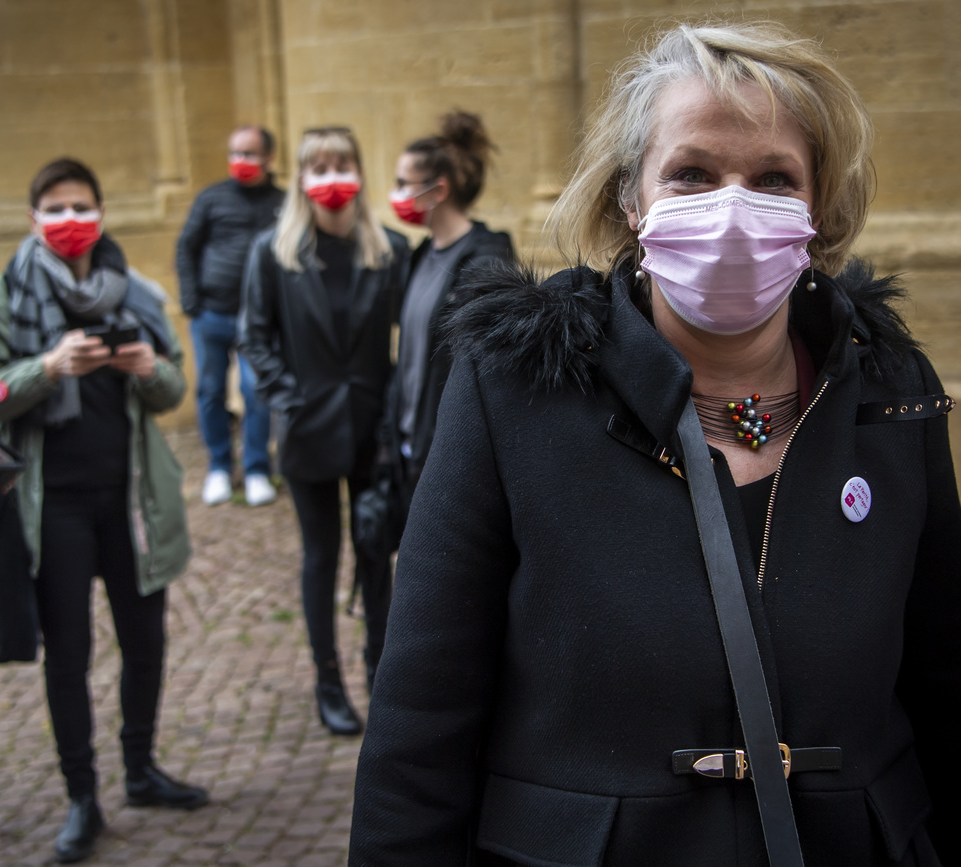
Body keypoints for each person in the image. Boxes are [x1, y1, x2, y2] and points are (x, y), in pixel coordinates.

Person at [350, 20, 959, 866]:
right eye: (692, 173)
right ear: (630, 201)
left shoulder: (892, 390)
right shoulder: (515, 393)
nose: (732, 208)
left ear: (816, 209)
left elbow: (942, 680)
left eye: (774, 178)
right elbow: (423, 715)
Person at [0, 158, 207, 864]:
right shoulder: (2, 297)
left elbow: (172, 390)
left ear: (100, 214)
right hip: (53, 507)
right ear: (33, 218)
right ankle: (82, 796)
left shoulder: (136, 291)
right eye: (55, 207)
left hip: (130, 499)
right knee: (68, 655)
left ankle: (141, 769)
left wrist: (148, 370)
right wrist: (47, 368)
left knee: (146, 642)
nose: (70, 219)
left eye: (81, 206)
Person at [240, 127, 409, 736]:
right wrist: (290, 401)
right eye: (318, 166)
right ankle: (327, 681)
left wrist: (397, 409)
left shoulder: (388, 249)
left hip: (373, 429)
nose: (331, 176)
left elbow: (412, 338)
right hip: (308, 429)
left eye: (342, 164)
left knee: (375, 553)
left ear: (359, 172)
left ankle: (381, 674)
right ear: (301, 178)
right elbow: (255, 337)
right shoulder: (274, 252)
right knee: (321, 555)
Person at [385, 109, 514, 498]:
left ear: (438, 190)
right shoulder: (419, 255)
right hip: (408, 443)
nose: (396, 194)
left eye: (403, 184)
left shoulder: (485, 262)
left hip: (446, 452)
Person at [176, 125, 284, 506]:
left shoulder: (283, 202)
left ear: (269, 157)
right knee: (210, 391)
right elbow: (186, 248)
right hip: (211, 314)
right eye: (235, 153)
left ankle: (256, 469)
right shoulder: (212, 198)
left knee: (256, 392)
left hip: (258, 320)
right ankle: (219, 467)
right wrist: (191, 301)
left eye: (249, 153)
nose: (240, 160)